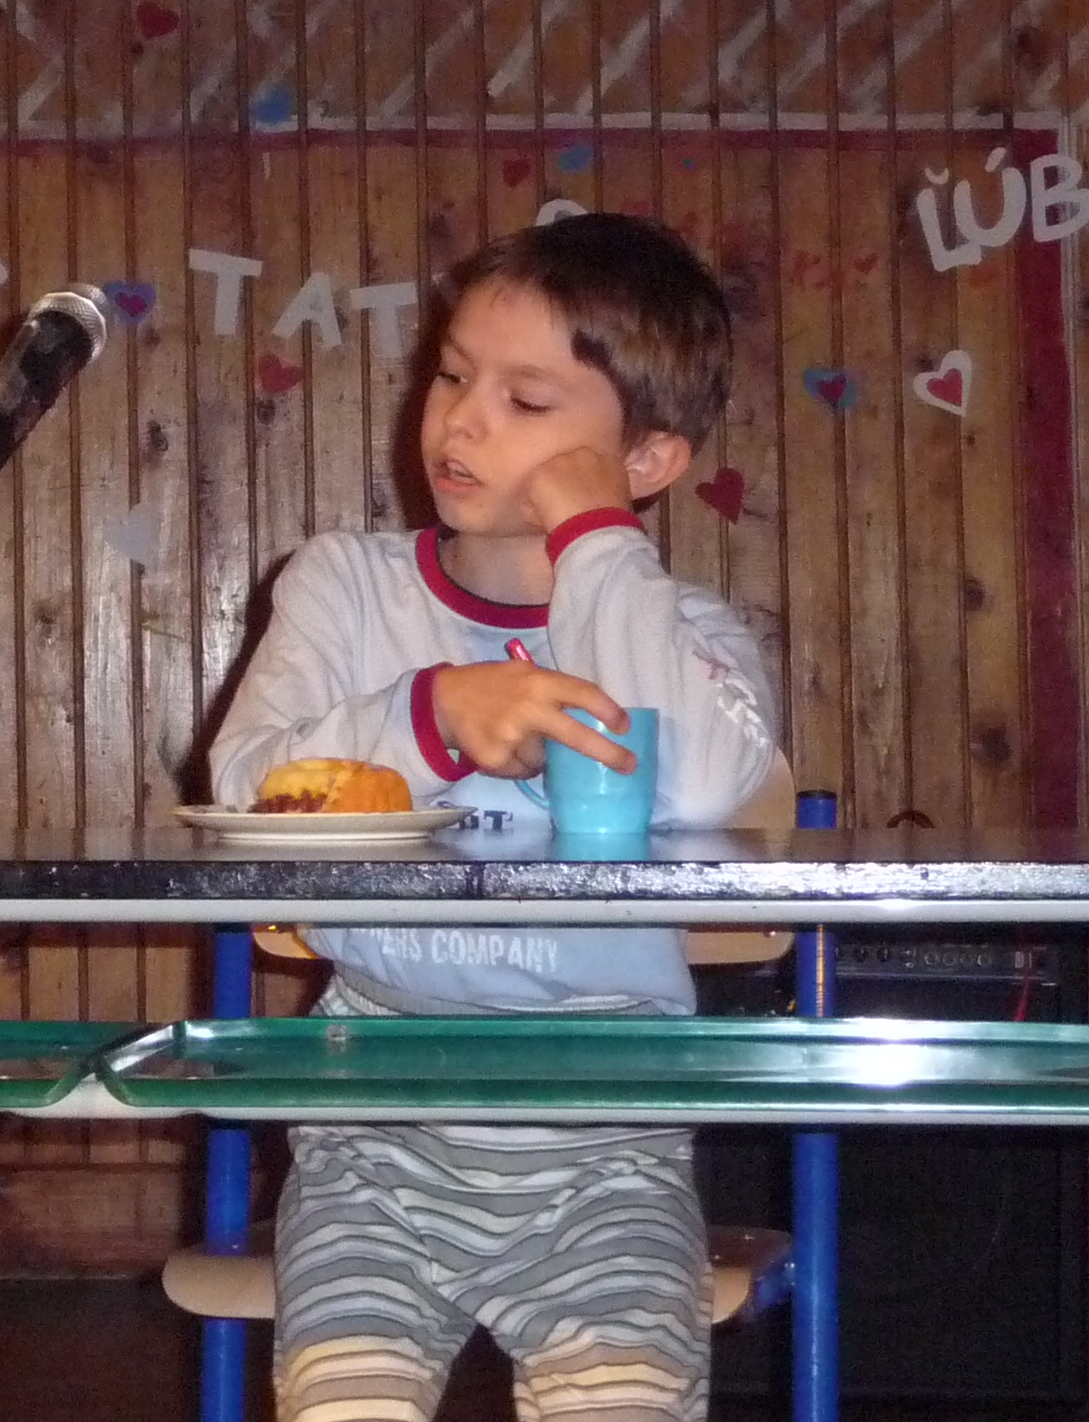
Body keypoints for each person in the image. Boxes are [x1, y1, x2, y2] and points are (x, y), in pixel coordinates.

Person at [205, 212, 782, 1422]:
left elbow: (693, 787)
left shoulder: (689, 637)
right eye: (452, 375)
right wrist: (429, 716)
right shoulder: (343, 587)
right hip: (371, 1131)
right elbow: (246, 788)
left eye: (525, 401)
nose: (460, 422)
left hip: (609, 1143)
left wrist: (597, 538)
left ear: (646, 458)